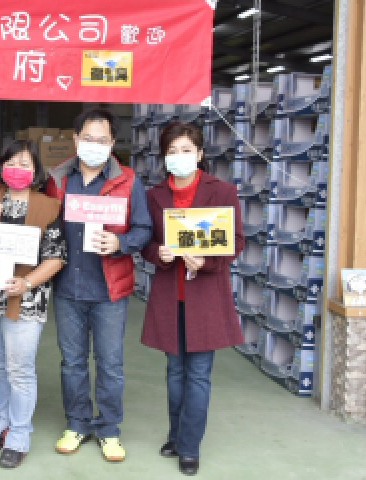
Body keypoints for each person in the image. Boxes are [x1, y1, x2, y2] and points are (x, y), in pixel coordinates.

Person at [44, 108, 153, 462]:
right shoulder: (59, 179)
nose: (94, 145)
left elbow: (144, 228)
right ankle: (76, 423)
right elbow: (40, 217)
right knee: (72, 362)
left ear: (112, 142)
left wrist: (120, 243)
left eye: (102, 140)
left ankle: (108, 429)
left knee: (110, 364)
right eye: (88, 138)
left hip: (109, 290)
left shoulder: (128, 181)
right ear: (76, 139)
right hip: (68, 287)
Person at [139, 122, 244, 476]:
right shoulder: (154, 196)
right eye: (172, 151)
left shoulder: (222, 192)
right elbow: (145, 242)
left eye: (186, 150)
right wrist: (159, 253)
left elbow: (236, 241)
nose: (179, 156)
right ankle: (176, 434)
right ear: (164, 157)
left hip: (206, 297)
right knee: (174, 372)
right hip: (170, 296)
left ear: (199, 154)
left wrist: (208, 261)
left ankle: (189, 446)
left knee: (198, 374)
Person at [0, 140, 67, 468]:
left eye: (25, 164)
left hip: (26, 299)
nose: (17, 170)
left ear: (36, 171)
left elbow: (56, 257)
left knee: (20, 370)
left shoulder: (49, 206)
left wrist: (27, 283)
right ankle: (2, 423)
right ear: (0, 167)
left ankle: (19, 435)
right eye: (11, 163)